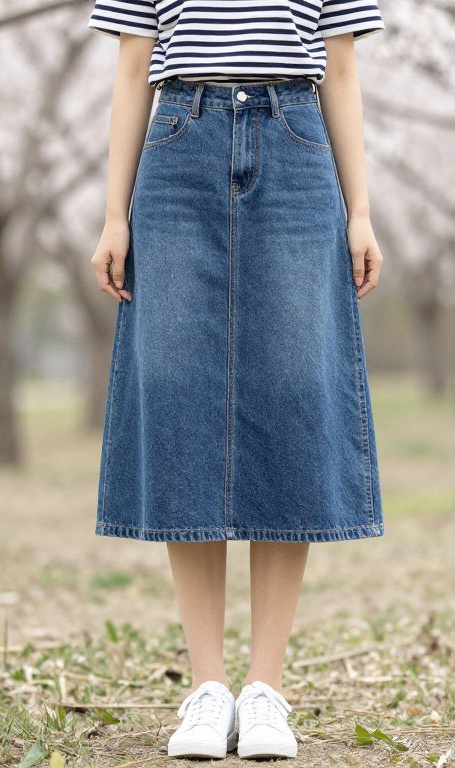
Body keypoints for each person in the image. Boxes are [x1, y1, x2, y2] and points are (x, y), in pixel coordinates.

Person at [87, 1, 386, 759]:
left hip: (297, 137)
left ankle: (265, 690)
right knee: (181, 395)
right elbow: (132, 62)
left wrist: (361, 212)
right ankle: (208, 686)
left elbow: (341, 65)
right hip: (178, 137)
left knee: (291, 398)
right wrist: (113, 213)